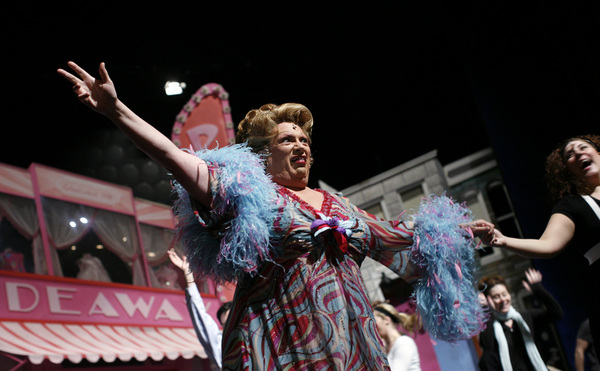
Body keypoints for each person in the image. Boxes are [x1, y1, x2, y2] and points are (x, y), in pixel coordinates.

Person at [57, 61, 495, 370]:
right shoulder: (249, 195)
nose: (302, 145)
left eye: (305, 139)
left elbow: (398, 236)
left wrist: (456, 228)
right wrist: (115, 110)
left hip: (356, 349)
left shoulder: (339, 205)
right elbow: (174, 156)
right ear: (265, 154)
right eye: (289, 139)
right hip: (284, 347)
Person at [486, 134, 600, 358]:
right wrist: (503, 240)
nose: (577, 153)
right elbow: (547, 245)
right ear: (568, 170)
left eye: (582, 147)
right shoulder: (573, 206)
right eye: (570, 155)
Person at [478, 269, 563, 371]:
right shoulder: (490, 326)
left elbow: (556, 313)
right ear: (489, 300)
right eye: (496, 297)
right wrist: (487, 309)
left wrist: (538, 289)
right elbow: (488, 347)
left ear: (509, 295)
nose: (503, 299)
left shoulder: (526, 317)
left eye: (504, 294)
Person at [167, 249, 231, 369]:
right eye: (225, 323)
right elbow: (200, 315)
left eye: (232, 319)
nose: (230, 326)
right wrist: (188, 274)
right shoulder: (222, 347)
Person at [373, 302, 421, 371]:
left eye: (374, 321)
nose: (372, 326)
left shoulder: (404, 342)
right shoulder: (385, 348)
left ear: (387, 320)